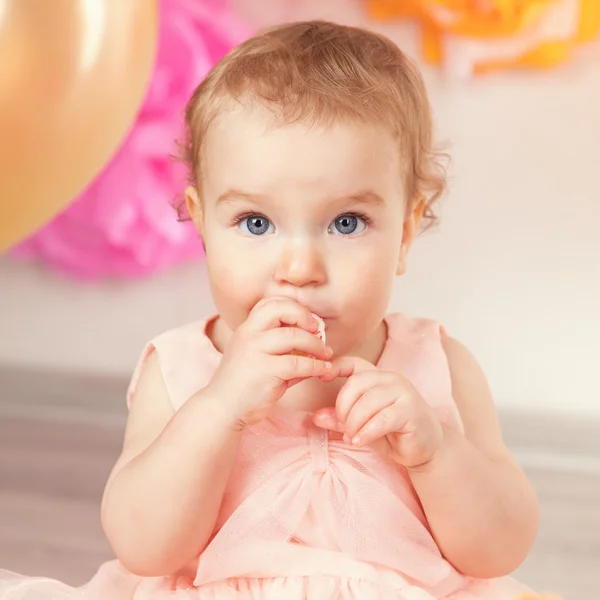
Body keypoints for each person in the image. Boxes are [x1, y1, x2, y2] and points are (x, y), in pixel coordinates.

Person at [0, 20, 546, 600]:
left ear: (406, 233)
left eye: (346, 222)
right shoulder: (184, 370)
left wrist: (435, 451)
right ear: (203, 224)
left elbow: (501, 548)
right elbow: (143, 546)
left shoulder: (438, 365)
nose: (300, 266)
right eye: (256, 223)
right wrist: (221, 409)